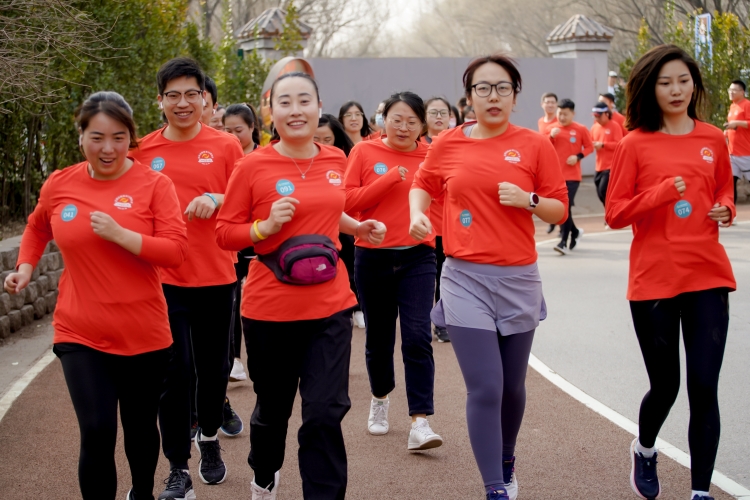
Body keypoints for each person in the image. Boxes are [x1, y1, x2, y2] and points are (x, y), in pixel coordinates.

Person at [4, 91, 188, 500]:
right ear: (81, 136)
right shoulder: (61, 183)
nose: (108, 148)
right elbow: (37, 226)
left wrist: (122, 235)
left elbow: (176, 251)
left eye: (119, 137)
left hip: (143, 333)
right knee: (97, 429)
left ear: (131, 138)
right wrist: (25, 267)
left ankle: (142, 493)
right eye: (97, 137)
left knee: (140, 429)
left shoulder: (154, 184)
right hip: (80, 331)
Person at [216, 71, 386, 500]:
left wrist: (357, 227)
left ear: (318, 106)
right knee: (273, 411)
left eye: (304, 101)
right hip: (269, 311)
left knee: (325, 413)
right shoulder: (251, 166)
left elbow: (328, 208)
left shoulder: (335, 159)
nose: (296, 110)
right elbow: (224, 233)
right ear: (270, 112)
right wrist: (264, 227)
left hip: (330, 306)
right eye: (285, 102)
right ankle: (264, 473)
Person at [409, 54, 567, 500]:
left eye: (502, 88)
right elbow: (422, 183)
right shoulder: (448, 142)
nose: (493, 96)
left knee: (512, 388)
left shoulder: (535, 145)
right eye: (483, 88)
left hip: (519, 279)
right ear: (469, 96)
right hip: (464, 278)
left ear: (515, 96)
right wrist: (417, 214)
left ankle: (506, 456)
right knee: (486, 386)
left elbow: (559, 208)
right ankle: (494, 487)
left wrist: (528, 199)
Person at [606, 45, 735, 500]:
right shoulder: (633, 143)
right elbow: (615, 214)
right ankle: (644, 448)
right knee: (666, 386)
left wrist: (726, 208)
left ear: (694, 85)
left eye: (683, 81)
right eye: (665, 83)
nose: (676, 90)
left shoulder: (713, 138)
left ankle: (701, 492)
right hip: (654, 280)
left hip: (708, 274)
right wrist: (660, 194)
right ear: (650, 89)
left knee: (704, 385)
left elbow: (723, 188)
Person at [131, 57, 245, 498]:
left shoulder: (225, 146)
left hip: (216, 274)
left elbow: (246, 198)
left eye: (191, 94)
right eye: (173, 95)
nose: (183, 103)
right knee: (174, 374)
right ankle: (177, 467)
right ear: (160, 100)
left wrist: (216, 197)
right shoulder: (143, 151)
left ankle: (209, 436)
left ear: (205, 99)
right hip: (162, 279)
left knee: (214, 370)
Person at [344, 91, 444, 451]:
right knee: (380, 338)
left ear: (423, 124)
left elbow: (444, 200)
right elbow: (346, 202)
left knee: (417, 336)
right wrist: (388, 180)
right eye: (396, 119)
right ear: (383, 119)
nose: (403, 127)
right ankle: (380, 397)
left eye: (412, 121)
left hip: (418, 257)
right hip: (372, 257)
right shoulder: (364, 152)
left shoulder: (431, 156)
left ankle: (420, 420)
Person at [222, 103, 262, 387]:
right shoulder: (224, 156)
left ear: (252, 128)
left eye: (239, 130)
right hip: (234, 240)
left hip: (260, 238)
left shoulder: (263, 158)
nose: (234, 136)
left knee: (257, 301)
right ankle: (234, 358)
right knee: (233, 300)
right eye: (228, 130)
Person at [314, 114, 364, 328]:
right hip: (315, 226)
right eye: (317, 139)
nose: (322, 144)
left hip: (344, 220)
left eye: (328, 139)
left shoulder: (341, 158)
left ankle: (357, 307)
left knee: (349, 263)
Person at [421, 96, 451, 342]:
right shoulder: (416, 145)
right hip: (420, 222)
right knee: (423, 277)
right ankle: (421, 323)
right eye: (433, 112)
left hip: (447, 222)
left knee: (445, 274)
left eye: (443, 113)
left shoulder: (457, 145)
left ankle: (442, 322)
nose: (439, 117)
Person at [549, 98, 593, 254]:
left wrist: (578, 157)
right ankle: (575, 232)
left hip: (573, 176)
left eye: (565, 114)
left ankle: (563, 242)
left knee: (565, 207)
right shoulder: (551, 129)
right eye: (559, 113)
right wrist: (551, 137)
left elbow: (589, 147)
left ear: (573, 114)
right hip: (555, 177)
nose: (561, 117)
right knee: (561, 208)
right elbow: (542, 148)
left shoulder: (580, 129)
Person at [590, 101, 624, 213]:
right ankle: (611, 212)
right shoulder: (594, 127)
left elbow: (619, 144)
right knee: (600, 193)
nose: (597, 119)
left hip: (611, 166)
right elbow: (589, 142)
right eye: (595, 116)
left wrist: (603, 145)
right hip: (599, 166)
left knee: (603, 190)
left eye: (599, 116)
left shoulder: (614, 126)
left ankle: (612, 212)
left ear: (606, 114)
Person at [724, 79, 750, 205]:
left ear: (742, 92)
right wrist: (726, 132)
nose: (731, 92)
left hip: (746, 153)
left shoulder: (747, 105)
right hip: (733, 153)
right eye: (730, 90)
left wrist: (736, 123)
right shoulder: (732, 106)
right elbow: (735, 128)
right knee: (731, 182)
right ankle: (731, 211)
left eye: (734, 90)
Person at [539, 92, 560, 234]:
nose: (550, 105)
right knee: (547, 195)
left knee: (559, 197)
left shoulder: (560, 121)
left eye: (553, 102)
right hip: (545, 164)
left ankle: (563, 229)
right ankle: (553, 221)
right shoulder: (541, 121)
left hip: (559, 165)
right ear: (542, 104)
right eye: (547, 102)